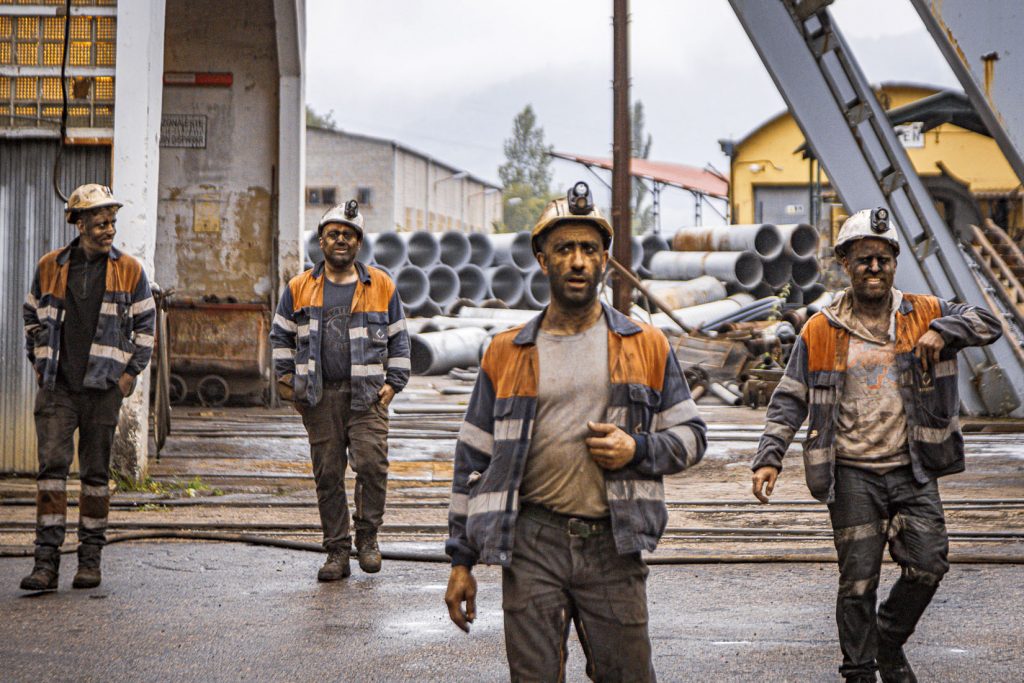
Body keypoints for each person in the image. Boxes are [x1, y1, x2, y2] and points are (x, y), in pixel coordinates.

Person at [444, 182, 707, 681]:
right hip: (532, 542)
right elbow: (472, 459)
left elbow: (693, 435)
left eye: (589, 249)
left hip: (613, 541)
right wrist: (461, 561)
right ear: (543, 261)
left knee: (628, 675)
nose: (579, 261)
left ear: (605, 259)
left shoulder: (646, 344)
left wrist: (638, 448)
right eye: (565, 249)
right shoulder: (507, 351)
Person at [751, 208, 1003, 682]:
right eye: (863, 259)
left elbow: (987, 322)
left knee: (929, 565)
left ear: (894, 263)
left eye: (882, 259)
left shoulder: (926, 312)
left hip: (913, 469)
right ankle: (860, 670)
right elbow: (790, 399)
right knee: (857, 583)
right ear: (845, 264)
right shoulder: (821, 329)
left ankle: (886, 640)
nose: (873, 268)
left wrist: (945, 330)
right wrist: (769, 458)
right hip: (852, 475)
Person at [20, 183, 155, 591]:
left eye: (112, 222)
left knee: (95, 475)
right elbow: (31, 317)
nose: (109, 229)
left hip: (102, 389)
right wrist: (41, 365)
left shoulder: (129, 270)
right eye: (100, 222)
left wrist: (129, 375)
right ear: (79, 223)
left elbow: (147, 327)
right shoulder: (50, 266)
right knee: (51, 474)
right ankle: (46, 565)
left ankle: (89, 561)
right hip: (58, 389)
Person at [270, 200, 410, 581]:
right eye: (333, 234)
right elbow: (280, 336)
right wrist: (290, 385)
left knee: (372, 465)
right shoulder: (300, 287)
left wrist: (393, 385)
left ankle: (367, 538)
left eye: (348, 234)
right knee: (328, 475)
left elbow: (400, 339)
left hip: (368, 397)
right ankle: (336, 552)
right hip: (319, 396)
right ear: (321, 241)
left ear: (359, 242)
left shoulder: (380, 285)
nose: (340, 240)